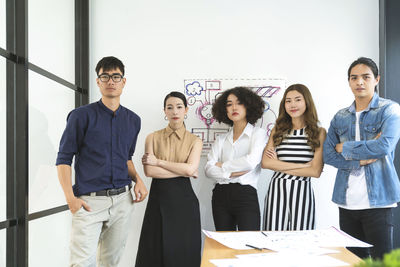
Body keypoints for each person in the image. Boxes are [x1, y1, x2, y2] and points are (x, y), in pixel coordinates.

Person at [56, 56, 148, 267]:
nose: (111, 81)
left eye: (116, 76)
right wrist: (70, 198)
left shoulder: (133, 120)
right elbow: (63, 159)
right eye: (104, 76)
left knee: (111, 263)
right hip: (89, 202)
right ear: (98, 81)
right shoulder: (80, 116)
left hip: (123, 201)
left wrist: (138, 180)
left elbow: (126, 158)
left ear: (124, 81)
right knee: (81, 263)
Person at [323, 57, 400, 259]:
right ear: (349, 81)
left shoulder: (389, 110)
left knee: (381, 262)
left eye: (366, 77)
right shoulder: (340, 116)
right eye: (354, 78)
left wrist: (345, 147)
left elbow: (384, 146)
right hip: (346, 202)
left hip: (379, 202)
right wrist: (360, 159)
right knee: (353, 261)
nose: (359, 82)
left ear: (376, 79)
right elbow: (328, 155)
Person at [135, 91, 203, 267]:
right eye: (170, 107)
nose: (175, 111)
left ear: (186, 110)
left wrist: (159, 161)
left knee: (183, 252)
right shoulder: (152, 137)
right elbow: (149, 171)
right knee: (154, 251)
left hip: (185, 203)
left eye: (179, 107)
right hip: (158, 201)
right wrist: (184, 170)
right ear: (164, 111)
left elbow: (190, 169)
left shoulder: (195, 140)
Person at [261, 84, 326, 231]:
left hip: (303, 191)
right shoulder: (277, 130)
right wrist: (304, 165)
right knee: (273, 236)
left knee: (302, 238)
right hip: (276, 190)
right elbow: (265, 163)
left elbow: (315, 172)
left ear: (307, 102)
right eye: (288, 101)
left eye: (297, 100)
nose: (292, 105)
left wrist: (277, 164)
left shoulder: (319, 132)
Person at [205, 87, 267, 231]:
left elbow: (250, 162)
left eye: (239, 103)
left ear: (248, 105)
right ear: (224, 110)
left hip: (245, 194)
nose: (234, 107)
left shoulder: (258, 134)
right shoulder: (221, 139)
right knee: (223, 245)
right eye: (229, 104)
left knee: (249, 244)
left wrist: (222, 166)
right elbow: (208, 169)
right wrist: (230, 173)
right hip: (220, 195)